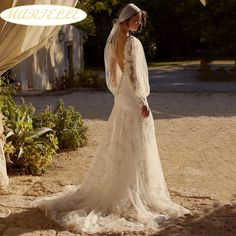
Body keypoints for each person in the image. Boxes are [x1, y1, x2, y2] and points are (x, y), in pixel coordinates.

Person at [33, 3, 191, 234]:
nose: (138, 24)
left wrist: (120, 94)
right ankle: (133, 190)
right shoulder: (132, 43)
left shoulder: (111, 41)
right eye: (135, 20)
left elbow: (114, 74)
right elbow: (136, 75)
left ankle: (125, 186)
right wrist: (141, 100)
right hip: (132, 94)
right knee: (138, 139)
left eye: (139, 20)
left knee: (121, 138)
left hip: (122, 96)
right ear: (126, 21)